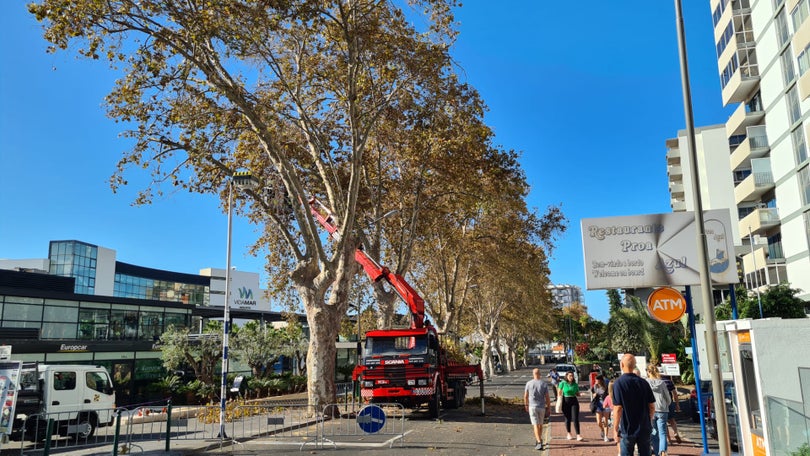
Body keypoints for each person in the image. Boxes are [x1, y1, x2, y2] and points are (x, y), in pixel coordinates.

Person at [612, 354, 655, 456]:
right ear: (634, 365)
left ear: (622, 364)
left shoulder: (619, 383)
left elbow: (618, 408)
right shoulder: (644, 382)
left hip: (627, 428)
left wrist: (615, 428)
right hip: (644, 427)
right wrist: (649, 419)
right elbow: (652, 406)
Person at [646, 365, 672, 456]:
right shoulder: (662, 383)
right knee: (662, 432)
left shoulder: (646, 383)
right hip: (662, 409)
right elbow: (668, 397)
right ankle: (663, 451)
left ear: (648, 372)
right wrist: (666, 404)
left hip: (651, 410)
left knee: (654, 432)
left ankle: (657, 452)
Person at [524, 368, 552, 451]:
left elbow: (525, 395)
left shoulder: (528, 383)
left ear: (533, 374)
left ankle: (539, 441)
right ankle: (539, 439)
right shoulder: (544, 384)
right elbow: (547, 397)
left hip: (532, 407)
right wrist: (549, 407)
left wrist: (526, 405)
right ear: (540, 374)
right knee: (540, 424)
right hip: (541, 407)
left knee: (535, 424)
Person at [558, 371, 583, 441]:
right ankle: (569, 433)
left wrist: (580, 394)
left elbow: (577, 393)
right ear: (566, 376)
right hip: (565, 401)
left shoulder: (575, 384)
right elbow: (559, 392)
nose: (571, 377)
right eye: (570, 376)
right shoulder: (563, 383)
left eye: (572, 376)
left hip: (574, 401)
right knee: (567, 418)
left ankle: (578, 434)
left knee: (575, 418)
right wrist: (559, 399)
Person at [663, 376, 682, 444]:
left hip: (660, 404)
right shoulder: (668, 381)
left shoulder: (656, 381)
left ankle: (669, 439)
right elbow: (674, 393)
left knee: (664, 422)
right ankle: (675, 432)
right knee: (672, 419)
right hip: (669, 402)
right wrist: (677, 404)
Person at [591, 374, 610, 441]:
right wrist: (594, 395)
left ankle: (606, 436)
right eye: (595, 380)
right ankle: (602, 429)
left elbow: (610, 394)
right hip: (598, 404)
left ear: (601, 380)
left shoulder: (606, 386)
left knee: (605, 421)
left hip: (606, 404)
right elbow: (592, 393)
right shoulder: (595, 386)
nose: (596, 381)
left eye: (597, 380)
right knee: (599, 422)